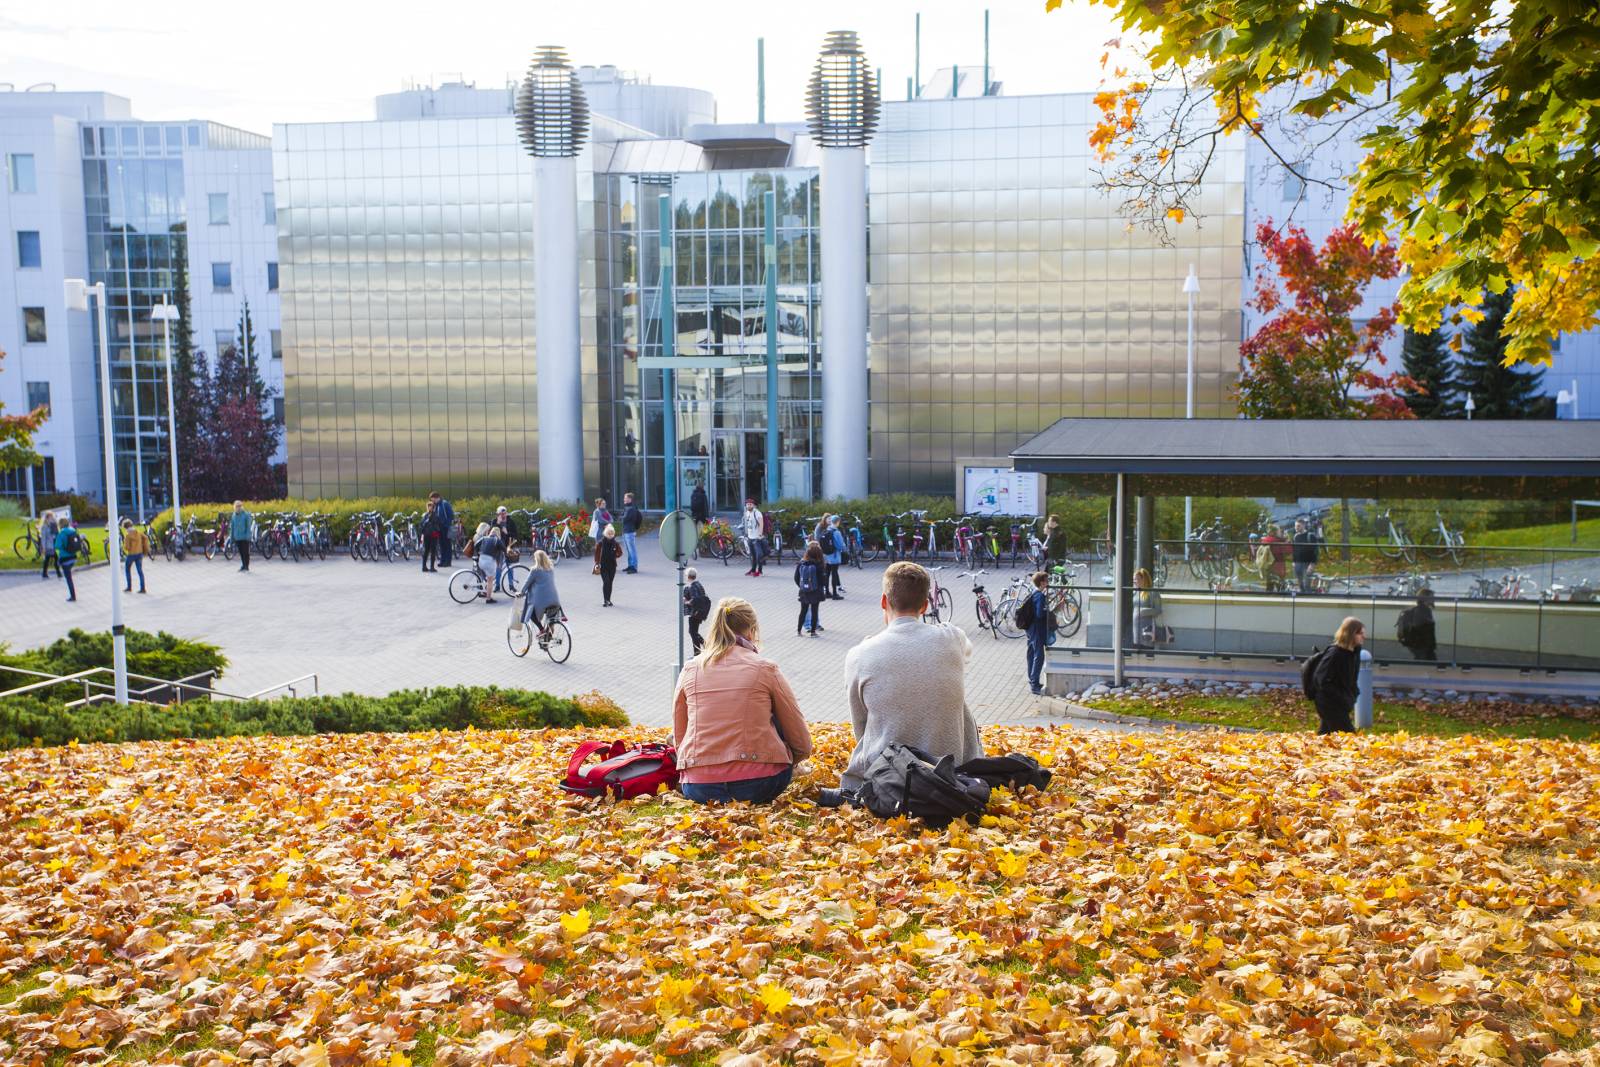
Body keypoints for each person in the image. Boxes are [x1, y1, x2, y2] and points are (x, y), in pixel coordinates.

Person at [833, 562, 983, 794]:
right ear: (924, 606)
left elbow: (860, 724)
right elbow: (965, 657)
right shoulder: (953, 637)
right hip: (953, 774)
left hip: (888, 776)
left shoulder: (859, 654)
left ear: (884, 601)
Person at [671, 597, 813, 805]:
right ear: (752, 630)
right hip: (760, 781)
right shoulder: (765, 668)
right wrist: (792, 759)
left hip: (699, 785)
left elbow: (680, 733)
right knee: (773, 711)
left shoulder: (691, 669)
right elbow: (799, 737)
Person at [1311, 617, 1365, 735]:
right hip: (1329, 702)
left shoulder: (1354, 653)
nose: (1363, 637)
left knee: (1325, 736)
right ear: (1350, 634)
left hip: (1339, 702)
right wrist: (1343, 697)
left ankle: (1308, 751)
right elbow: (1321, 680)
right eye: (1360, 633)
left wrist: (1353, 694)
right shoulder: (1335, 654)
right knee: (1349, 738)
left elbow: (1351, 679)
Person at [519, 550, 565, 641]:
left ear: (537, 559)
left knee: (531, 613)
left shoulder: (535, 570)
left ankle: (542, 630)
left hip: (542, 602)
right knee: (550, 620)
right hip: (555, 600)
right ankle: (548, 638)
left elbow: (527, 583)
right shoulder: (551, 568)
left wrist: (521, 592)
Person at [1024, 571, 1052, 695]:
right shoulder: (1040, 596)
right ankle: (1034, 684)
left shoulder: (1034, 592)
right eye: (1047, 580)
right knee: (1038, 655)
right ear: (1042, 582)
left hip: (1030, 629)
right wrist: (1049, 612)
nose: (1048, 583)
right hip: (1037, 629)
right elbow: (1040, 614)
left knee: (1031, 654)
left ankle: (1032, 680)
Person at [1397, 588, 1438, 661]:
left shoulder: (1421, 609)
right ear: (1426, 598)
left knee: (1423, 662)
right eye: (1432, 597)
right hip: (1421, 645)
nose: (1434, 598)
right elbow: (1419, 626)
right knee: (1426, 663)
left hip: (1417, 645)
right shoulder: (1424, 610)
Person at [794, 541, 826, 636]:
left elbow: (796, 578)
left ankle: (799, 631)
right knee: (814, 611)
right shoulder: (819, 565)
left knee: (803, 611)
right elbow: (823, 580)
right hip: (816, 591)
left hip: (804, 591)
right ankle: (813, 632)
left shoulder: (801, 563)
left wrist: (802, 586)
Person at [471, 521, 506, 604]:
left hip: (481, 560)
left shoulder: (484, 538)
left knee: (486, 577)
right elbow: (504, 549)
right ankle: (489, 598)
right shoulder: (497, 540)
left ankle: (484, 590)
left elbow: (476, 545)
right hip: (489, 562)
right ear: (498, 533)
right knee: (490, 580)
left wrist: (479, 552)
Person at [1132, 567, 1164, 647]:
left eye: (1136, 579)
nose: (1134, 581)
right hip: (1135, 630)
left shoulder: (1153, 593)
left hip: (1147, 630)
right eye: (1134, 579)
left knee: (1147, 652)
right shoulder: (1135, 592)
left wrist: (1143, 611)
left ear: (1144, 579)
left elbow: (1158, 610)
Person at [683, 566, 710, 654]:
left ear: (687, 576)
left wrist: (686, 602)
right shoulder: (698, 584)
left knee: (692, 632)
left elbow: (695, 600)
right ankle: (699, 650)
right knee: (694, 632)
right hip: (700, 612)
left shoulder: (692, 587)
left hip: (694, 613)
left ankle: (702, 647)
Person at [594, 522, 622, 606]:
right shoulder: (600, 543)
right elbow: (597, 554)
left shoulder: (615, 543)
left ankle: (608, 600)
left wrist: (615, 555)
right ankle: (605, 600)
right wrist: (597, 563)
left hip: (612, 566)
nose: (610, 535)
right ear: (605, 533)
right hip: (603, 566)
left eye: (612, 533)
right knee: (606, 582)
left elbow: (620, 552)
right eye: (609, 533)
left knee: (610, 583)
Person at [1292, 518, 1321, 592]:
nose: (1296, 528)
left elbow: (1315, 551)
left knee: (1307, 584)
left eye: (1298, 526)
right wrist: (1294, 561)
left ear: (1304, 525)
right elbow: (1295, 550)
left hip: (1307, 563)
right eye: (1295, 526)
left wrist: (1312, 564)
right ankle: (1302, 599)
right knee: (1300, 585)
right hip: (1298, 563)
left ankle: (1309, 599)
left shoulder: (1310, 536)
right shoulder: (1296, 536)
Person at [56, 517, 81, 602]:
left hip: (65, 558)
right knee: (69, 576)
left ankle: (73, 596)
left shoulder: (62, 533)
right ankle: (73, 595)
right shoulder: (73, 531)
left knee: (68, 578)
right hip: (73, 556)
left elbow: (57, 546)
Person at [1260, 524, 1291, 592]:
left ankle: (1268, 600)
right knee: (1281, 589)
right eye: (1279, 531)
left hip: (1268, 567)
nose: (1281, 532)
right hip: (1278, 568)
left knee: (1269, 587)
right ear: (1275, 532)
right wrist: (1287, 541)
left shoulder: (1266, 540)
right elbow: (1289, 551)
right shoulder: (1278, 541)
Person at [121, 518, 149, 594]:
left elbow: (127, 547)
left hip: (131, 554)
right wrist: (143, 546)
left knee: (127, 570)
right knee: (140, 571)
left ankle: (129, 587)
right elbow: (146, 537)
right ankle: (143, 588)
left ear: (126, 527)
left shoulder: (127, 535)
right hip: (139, 553)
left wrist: (125, 546)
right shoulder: (138, 532)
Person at [741, 499, 767, 577]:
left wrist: (759, 535)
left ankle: (760, 571)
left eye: (750, 504)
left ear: (754, 505)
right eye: (747, 504)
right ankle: (753, 570)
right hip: (750, 537)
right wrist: (746, 534)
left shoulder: (757, 513)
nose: (749, 506)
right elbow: (747, 524)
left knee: (759, 555)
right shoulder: (747, 513)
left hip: (756, 538)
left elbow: (761, 524)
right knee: (752, 556)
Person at [822, 516, 846, 599]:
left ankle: (827, 592)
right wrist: (844, 548)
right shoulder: (836, 532)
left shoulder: (827, 530)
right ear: (838, 522)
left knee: (827, 574)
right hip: (834, 555)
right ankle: (835, 594)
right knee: (834, 574)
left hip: (827, 556)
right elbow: (840, 545)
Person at [431, 492, 456, 567]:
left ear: (437, 497)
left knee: (447, 545)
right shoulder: (437, 505)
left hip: (446, 528)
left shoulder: (445, 504)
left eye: (433, 500)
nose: (433, 501)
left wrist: (446, 524)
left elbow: (451, 515)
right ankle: (442, 561)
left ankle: (448, 562)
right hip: (439, 528)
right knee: (442, 545)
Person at [621, 492, 643, 574]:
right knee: (629, 550)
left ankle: (634, 567)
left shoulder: (631, 508)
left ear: (630, 499)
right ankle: (630, 565)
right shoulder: (628, 507)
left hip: (629, 532)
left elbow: (624, 519)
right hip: (626, 531)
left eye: (625, 498)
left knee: (632, 550)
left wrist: (622, 516)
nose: (624, 499)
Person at [420, 500, 443, 573]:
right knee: (432, 551)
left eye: (430, 507)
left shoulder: (424, 515)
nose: (430, 508)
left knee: (426, 551)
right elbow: (439, 525)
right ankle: (431, 567)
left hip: (427, 534)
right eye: (430, 507)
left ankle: (424, 567)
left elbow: (421, 526)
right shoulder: (435, 515)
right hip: (433, 535)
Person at [231, 501, 254, 572]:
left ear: (241, 507)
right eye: (236, 506)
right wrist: (232, 537)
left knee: (245, 552)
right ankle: (243, 565)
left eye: (239, 506)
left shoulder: (245, 515)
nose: (238, 508)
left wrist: (248, 536)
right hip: (237, 537)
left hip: (244, 537)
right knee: (241, 552)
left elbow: (248, 526)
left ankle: (246, 565)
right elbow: (232, 527)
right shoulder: (233, 516)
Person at [39, 511, 60, 580]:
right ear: (47, 518)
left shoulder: (53, 525)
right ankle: (58, 573)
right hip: (48, 546)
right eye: (51, 517)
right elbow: (43, 538)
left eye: (52, 517)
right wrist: (44, 548)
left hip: (53, 545)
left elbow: (56, 535)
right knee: (55, 559)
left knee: (47, 560)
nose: (52, 519)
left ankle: (44, 573)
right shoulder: (44, 527)